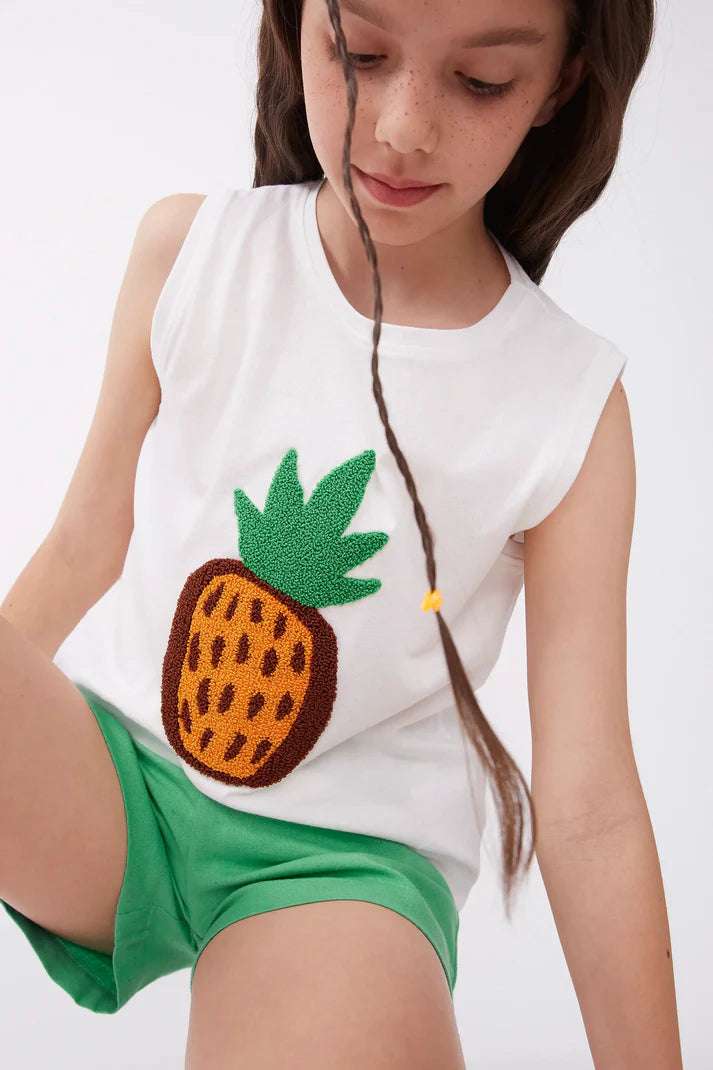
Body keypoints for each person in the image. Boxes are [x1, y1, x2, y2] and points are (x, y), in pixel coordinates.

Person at [0, 0, 683, 1066]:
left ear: (558, 85)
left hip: (342, 865)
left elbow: (587, 802)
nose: (402, 128)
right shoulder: (193, 250)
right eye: (359, 54)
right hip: (113, 782)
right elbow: (86, 541)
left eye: (480, 82)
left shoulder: (566, 403)